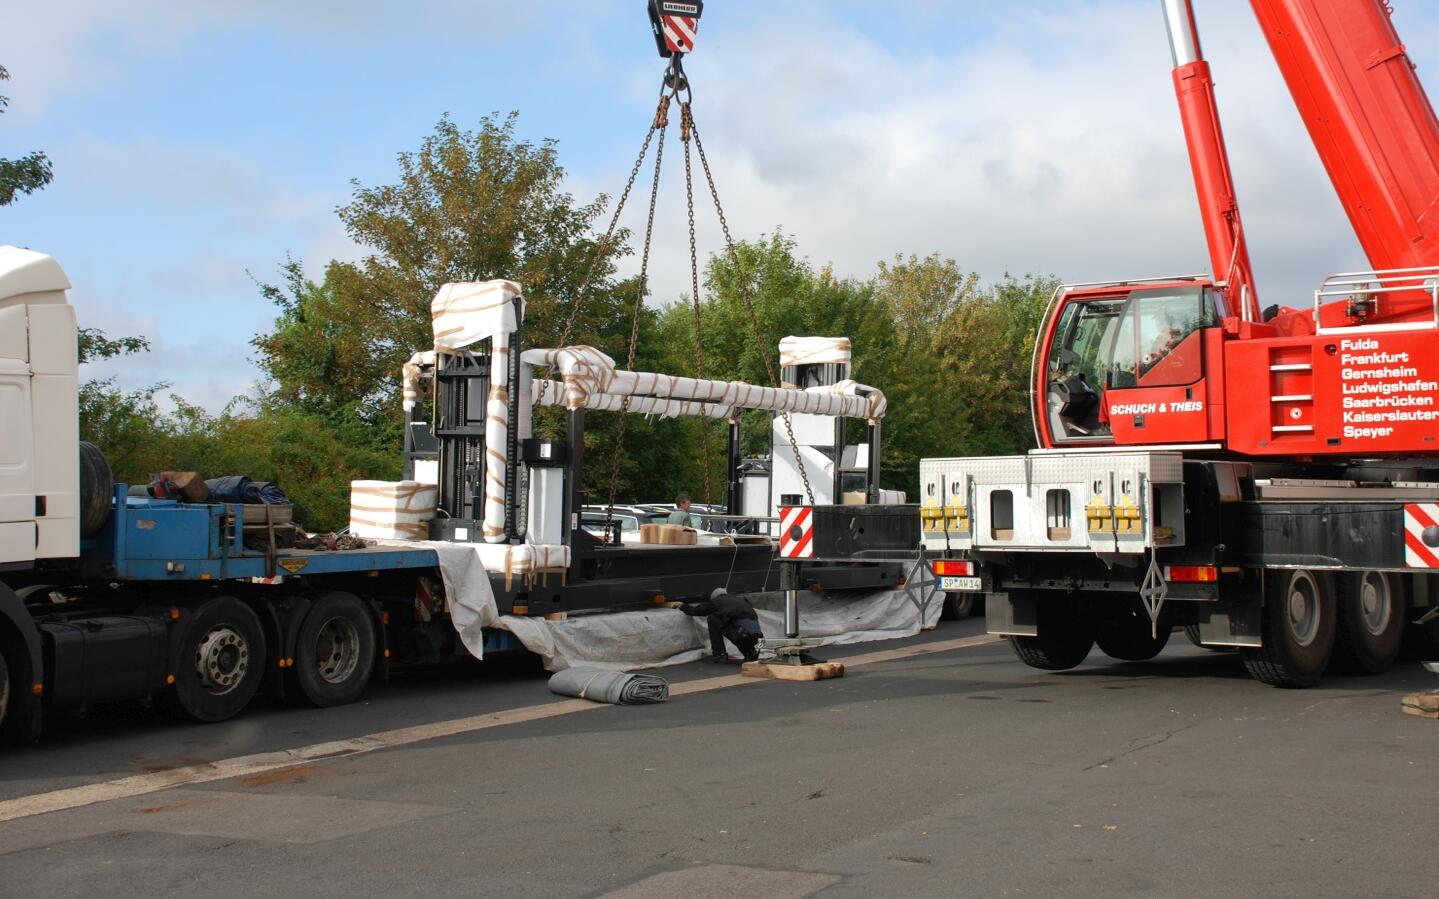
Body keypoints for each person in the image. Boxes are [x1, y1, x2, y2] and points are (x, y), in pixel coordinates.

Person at [680, 587, 764, 663]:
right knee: (735, 625)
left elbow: (696, 610)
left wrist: (682, 606)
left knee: (713, 619)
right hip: (756, 636)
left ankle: (719, 654)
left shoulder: (717, 601)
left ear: (714, 598)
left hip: (743, 635)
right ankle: (750, 653)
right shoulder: (738, 599)